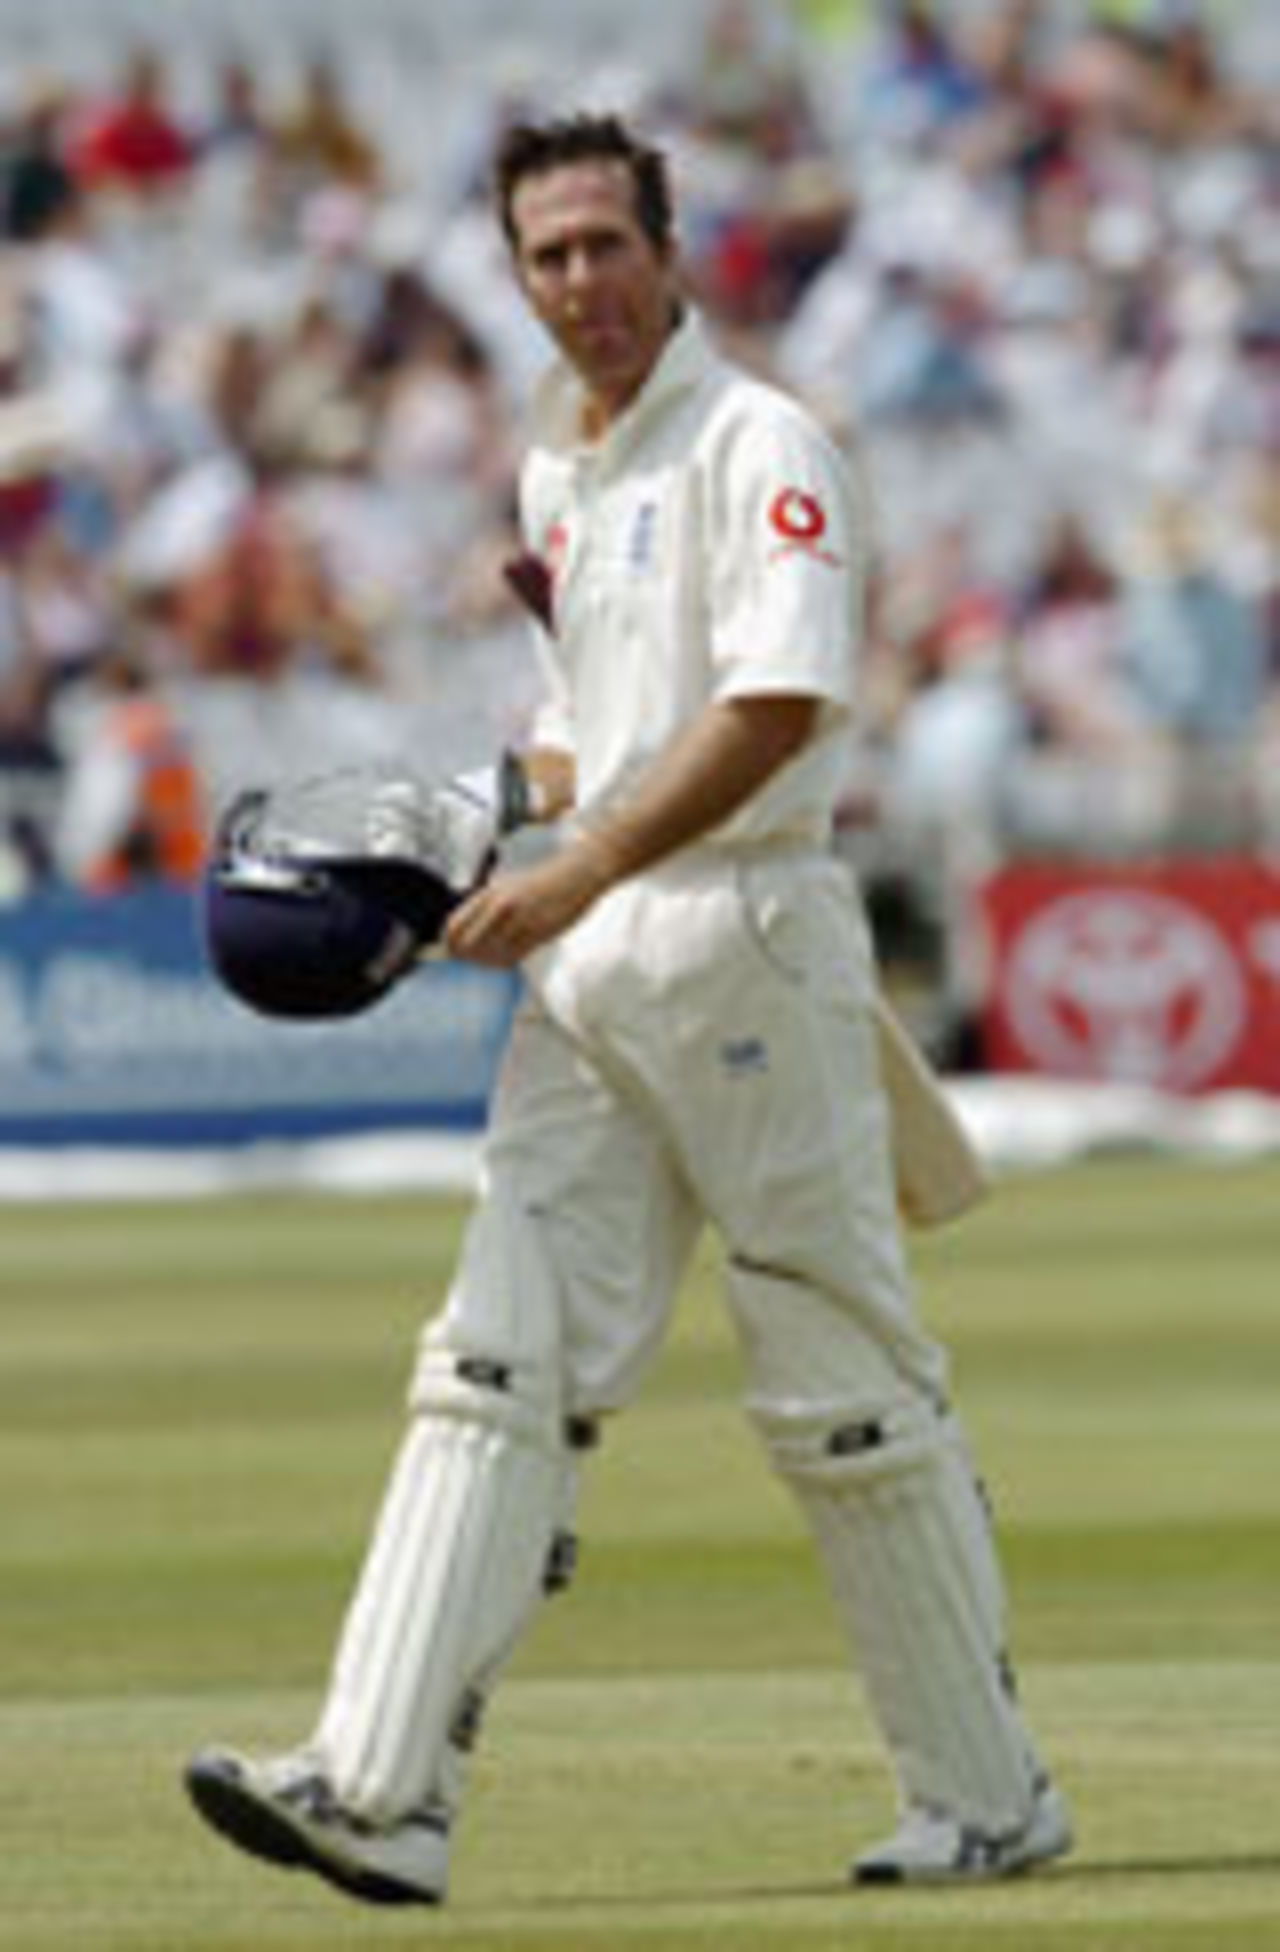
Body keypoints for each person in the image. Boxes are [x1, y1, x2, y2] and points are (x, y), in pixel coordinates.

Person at [184, 110, 1071, 1905]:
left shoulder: (763, 443)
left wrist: (584, 866)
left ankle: (985, 1796)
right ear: (514, 279)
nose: (578, 282)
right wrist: (475, 822)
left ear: (669, 252)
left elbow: (778, 704)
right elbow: (600, 714)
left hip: (742, 934)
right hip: (592, 957)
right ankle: (381, 1791)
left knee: (841, 1390)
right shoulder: (557, 471)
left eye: (605, 243)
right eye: (545, 255)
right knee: (491, 1367)